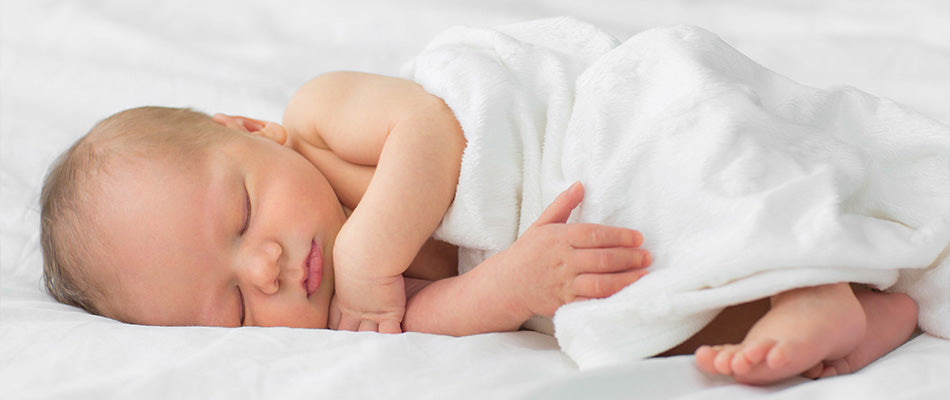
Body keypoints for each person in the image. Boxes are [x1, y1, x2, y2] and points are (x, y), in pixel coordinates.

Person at [41, 71, 918, 385]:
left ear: (251, 131)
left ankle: (811, 279)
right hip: (566, 231)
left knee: (685, 171)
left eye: (239, 215)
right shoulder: (358, 312)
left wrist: (369, 255)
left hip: (579, 131)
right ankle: (853, 316)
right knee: (624, 309)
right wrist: (517, 287)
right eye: (234, 306)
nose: (266, 267)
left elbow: (432, 127)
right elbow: (451, 312)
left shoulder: (319, 119)